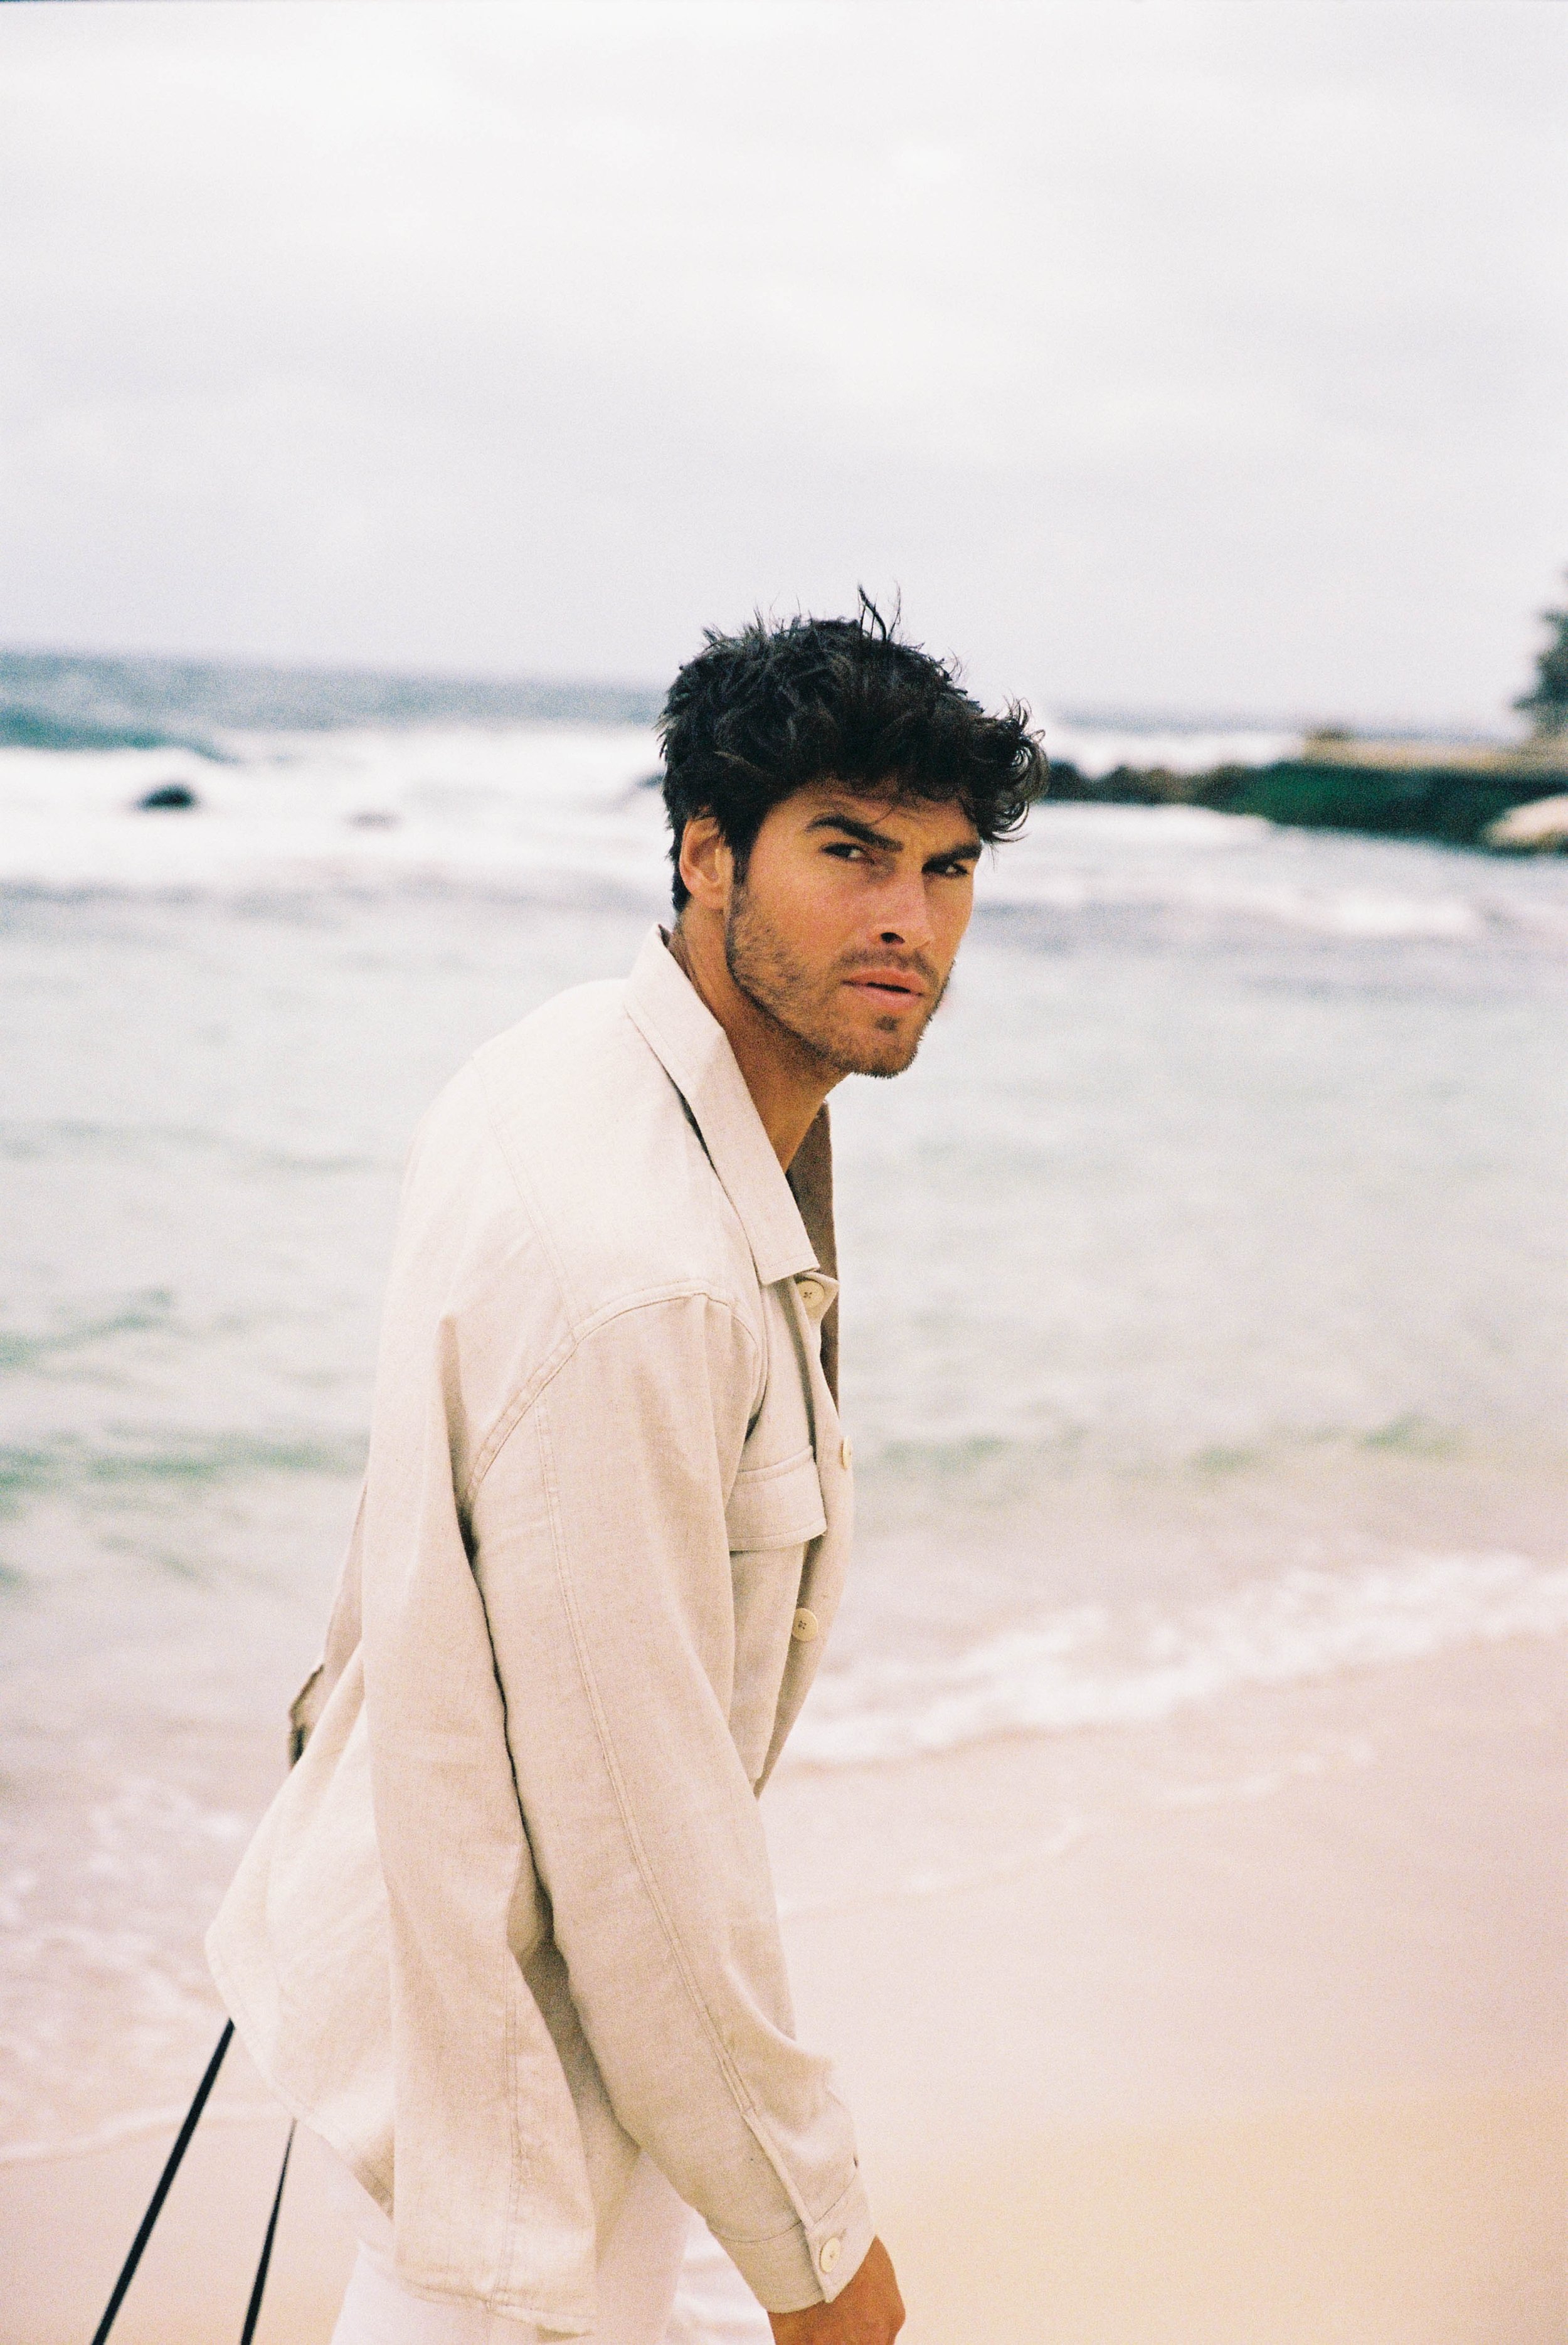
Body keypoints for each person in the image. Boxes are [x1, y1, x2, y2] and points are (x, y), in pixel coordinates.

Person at [207, 598, 1046, 2344]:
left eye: (948, 866)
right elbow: (639, 1844)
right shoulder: (640, 1270)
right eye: (847, 850)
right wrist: (823, 2263)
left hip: (480, 2014)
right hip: (507, 2080)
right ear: (702, 852)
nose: (908, 918)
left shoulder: (567, 1064)